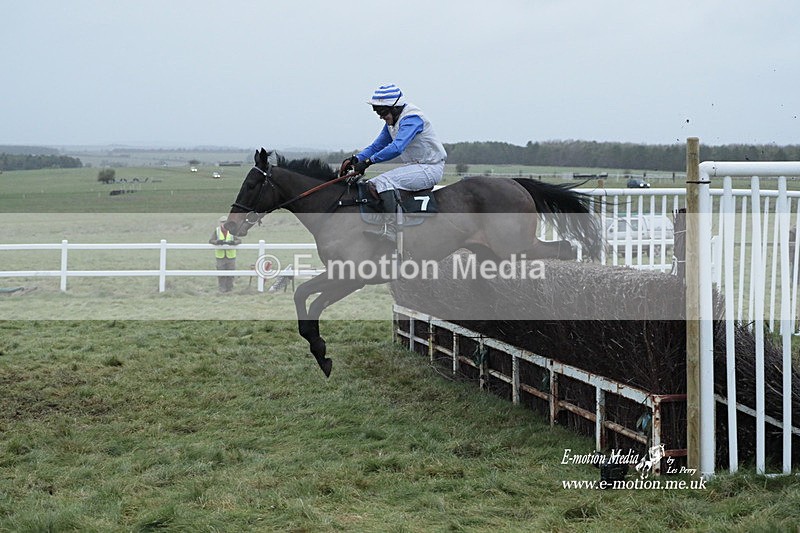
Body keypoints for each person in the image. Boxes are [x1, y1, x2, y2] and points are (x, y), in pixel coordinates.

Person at [340, 84, 447, 242]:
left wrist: (369, 162)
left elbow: (397, 147)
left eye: (382, 112)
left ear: (395, 107)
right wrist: (357, 159)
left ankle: (393, 230)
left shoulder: (412, 119)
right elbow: (377, 146)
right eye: (377, 112)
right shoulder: (392, 122)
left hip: (430, 168)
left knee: (384, 182)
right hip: (415, 167)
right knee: (372, 184)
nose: (380, 116)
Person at [209, 216, 240, 292]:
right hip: (220, 256)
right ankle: (222, 289)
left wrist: (233, 243)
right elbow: (211, 240)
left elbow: (239, 240)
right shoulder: (217, 231)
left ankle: (230, 289)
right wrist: (217, 242)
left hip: (231, 256)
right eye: (222, 222)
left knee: (231, 273)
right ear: (220, 223)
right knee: (221, 273)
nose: (224, 223)